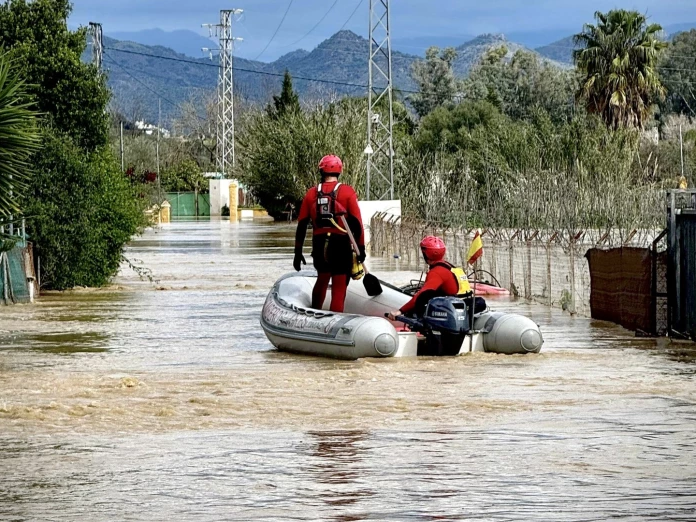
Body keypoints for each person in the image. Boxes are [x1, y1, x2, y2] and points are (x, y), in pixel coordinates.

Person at [294, 155, 366, 313]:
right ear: (340, 171)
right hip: (340, 244)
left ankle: (313, 314)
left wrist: (297, 252)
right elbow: (358, 225)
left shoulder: (311, 193)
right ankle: (335, 321)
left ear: (321, 170)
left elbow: (302, 225)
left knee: (322, 279)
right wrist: (361, 249)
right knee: (339, 287)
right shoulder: (347, 192)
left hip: (319, 244)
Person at [387, 236, 473, 320]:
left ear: (426, 254)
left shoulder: (436, 272)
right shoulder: (448, 266)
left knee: (423, 296)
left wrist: (400, 311)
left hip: (454, 309)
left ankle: (420, 321)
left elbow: (421, 295)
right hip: (465, 305)